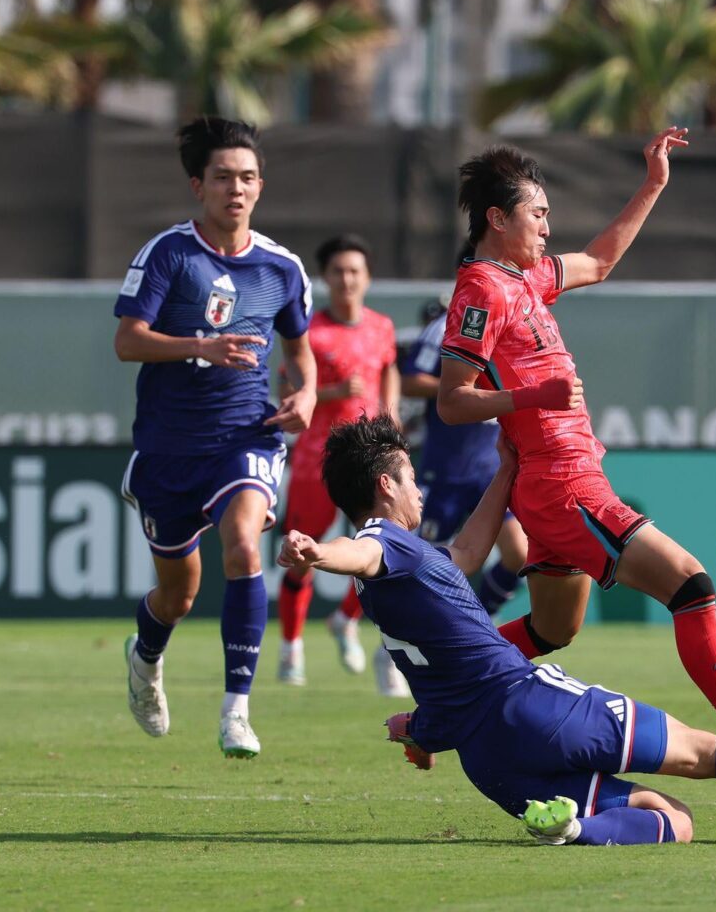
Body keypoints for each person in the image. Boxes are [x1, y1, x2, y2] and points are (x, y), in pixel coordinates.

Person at [277, 415, 716, 846]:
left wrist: (507, 467)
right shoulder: (381, 544)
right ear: (386, 486)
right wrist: (316, 553)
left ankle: (574, 831)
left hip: (490, 763)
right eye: (411, 478)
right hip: (536, 709)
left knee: (675, 823)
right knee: (704, 754)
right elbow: (360, 552)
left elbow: (469, 552)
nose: (419, 490)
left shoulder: (408, 569)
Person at [435, 128, 716, 751]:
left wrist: (652, 183)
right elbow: (452, 400)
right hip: (563, 483)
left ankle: (438, 697)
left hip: (558, 479)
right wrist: (531, 399)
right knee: (691, 584)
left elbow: (597, 262)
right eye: (537, 214)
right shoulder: (482, 289)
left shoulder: (523, 280)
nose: (546, 228)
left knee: (550, 630)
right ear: (497, 216)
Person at [114, 116, 316, 760]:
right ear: (198, 185)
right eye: (224, 177)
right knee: (179, 595)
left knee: (244, 550)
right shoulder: (169, 253)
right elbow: (127, 341)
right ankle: (145, 657)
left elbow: (301, 352)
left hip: (244, 435)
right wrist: (200, 345)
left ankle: (236, 711)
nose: (237, 189)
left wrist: (306, 395)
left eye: (249, 178)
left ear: (262, 187)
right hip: (171, 447)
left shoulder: (282, 267)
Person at [275, 234, 401, 692]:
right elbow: (284, 393)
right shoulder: (307, 331)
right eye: (338, 271)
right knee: (301, 555)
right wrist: (330, 393)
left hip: (368, 462)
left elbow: (389, 372)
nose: (347, 279)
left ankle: (346, 619)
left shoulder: (382, 327)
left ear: (366, 278)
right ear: (325, 279)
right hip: (316, 461)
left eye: (355, 271)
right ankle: (291, 647)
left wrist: (392, 418)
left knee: (383, 549)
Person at [402, 295, 528, 615]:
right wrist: (462, 389)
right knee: (428, 567)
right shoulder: (445, 325)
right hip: (447, 469)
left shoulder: (514, 322)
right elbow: (411, 380)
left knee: (518, 554)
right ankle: (400, 644)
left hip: (490, 470)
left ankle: (482, 625)